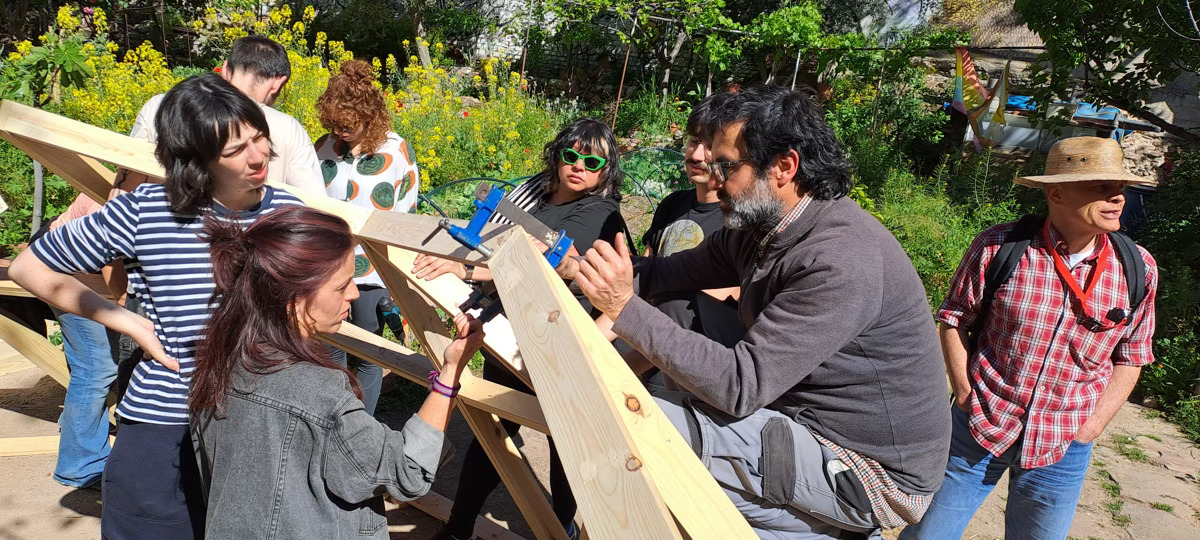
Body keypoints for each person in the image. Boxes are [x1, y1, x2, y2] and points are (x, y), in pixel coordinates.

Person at [561, 87, 951, 539]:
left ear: (784, 167)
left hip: (868, 470)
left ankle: (822, 528)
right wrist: (575, 267)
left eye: (726, 166)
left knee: (635, 432)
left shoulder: (841, 258)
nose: (712, 178)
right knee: (672, 310)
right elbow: (662, 276)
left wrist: (623, 307)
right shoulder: (757, 225)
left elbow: (738, 385)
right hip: (800, 413)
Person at [9, 73, 306, 540]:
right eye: (233, 150)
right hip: (166, 423)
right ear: (194, 159)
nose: (257, 157)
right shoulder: (149, 209)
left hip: (255, 423)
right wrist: (126, 321)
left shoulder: (288, 212)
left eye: (258, 137)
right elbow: (30, 268)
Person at [899, 137, 1159, 540]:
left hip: (1064, 444)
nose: (1117, 198)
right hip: (980, 430)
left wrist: (1092, 425)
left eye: (1120, 188)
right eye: (1100, 186)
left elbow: (1133, 354)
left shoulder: (1137, 267)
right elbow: (953, 319)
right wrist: (967, 394)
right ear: (1055, 191)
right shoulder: (999, 247)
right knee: (927, 535)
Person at [191, 205, 483, 540]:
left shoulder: (222, 359)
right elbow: (408, 472)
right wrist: (449, 374)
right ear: (295, 299)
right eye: (341, 286)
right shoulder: (317, 392)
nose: (355, 294)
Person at [412, 118, 629, 540]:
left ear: (605, 170)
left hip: (564, 339)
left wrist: (465, 267)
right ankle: (458, 528)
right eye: (571, 155)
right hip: (512, 330)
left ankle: (562, 528)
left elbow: (539, 254)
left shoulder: (601, 212)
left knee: (566, 445)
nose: (579, 166)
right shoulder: (534, 197)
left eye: (592, 161)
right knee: (493, 436)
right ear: (558, 155)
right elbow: (491, 233)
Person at [315, 59, 422, 416]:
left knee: (367, 353)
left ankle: (362, 427)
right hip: (328, 264)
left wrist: (394, 271)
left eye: (347, 125)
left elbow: (405, 210)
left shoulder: (395, 151)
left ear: (370, 116)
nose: (339, 132)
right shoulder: (323, 147)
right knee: (330, 349)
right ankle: (332, 420)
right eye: (333, 124)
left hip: (371, 269)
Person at [634, 93, 743, 388]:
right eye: (693, 141)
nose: (696, 155)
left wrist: (624, 368)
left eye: (709, 146)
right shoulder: (671, 205)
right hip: (642, 337)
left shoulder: (738, 219)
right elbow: (645, 276)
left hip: (685, 357)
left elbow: (707, 304)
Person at [126, 35, 323, 194]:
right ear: (278, 84)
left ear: (225, 68)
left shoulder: (157, 106)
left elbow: (126, 181)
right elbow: (315, 203)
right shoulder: (289, 127)